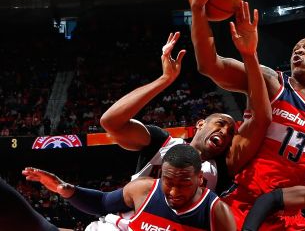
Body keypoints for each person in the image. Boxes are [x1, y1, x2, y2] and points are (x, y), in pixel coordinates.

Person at [189, 0, 305, 229]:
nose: (298, 52)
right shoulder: (268, 81)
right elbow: (210, 65)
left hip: (289, 218)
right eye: (295, 49)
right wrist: (197, 10)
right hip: (244, 202)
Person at [89, 29, 270, 230]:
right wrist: (164, 80)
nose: (225, 132)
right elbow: (111, 122)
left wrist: (249, 55)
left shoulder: (221, 167)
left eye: (230, 133)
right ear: (200, 124)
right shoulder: (161, 142)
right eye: (220, 123)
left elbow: (260, 118)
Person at [22, 144, 236, 230]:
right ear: (161, 174)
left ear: (200, 179)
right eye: (168, 183)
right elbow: (102, 203)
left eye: (184, 184)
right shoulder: (144, 189)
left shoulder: (216, 213)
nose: (173, 192)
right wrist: (63, 187)